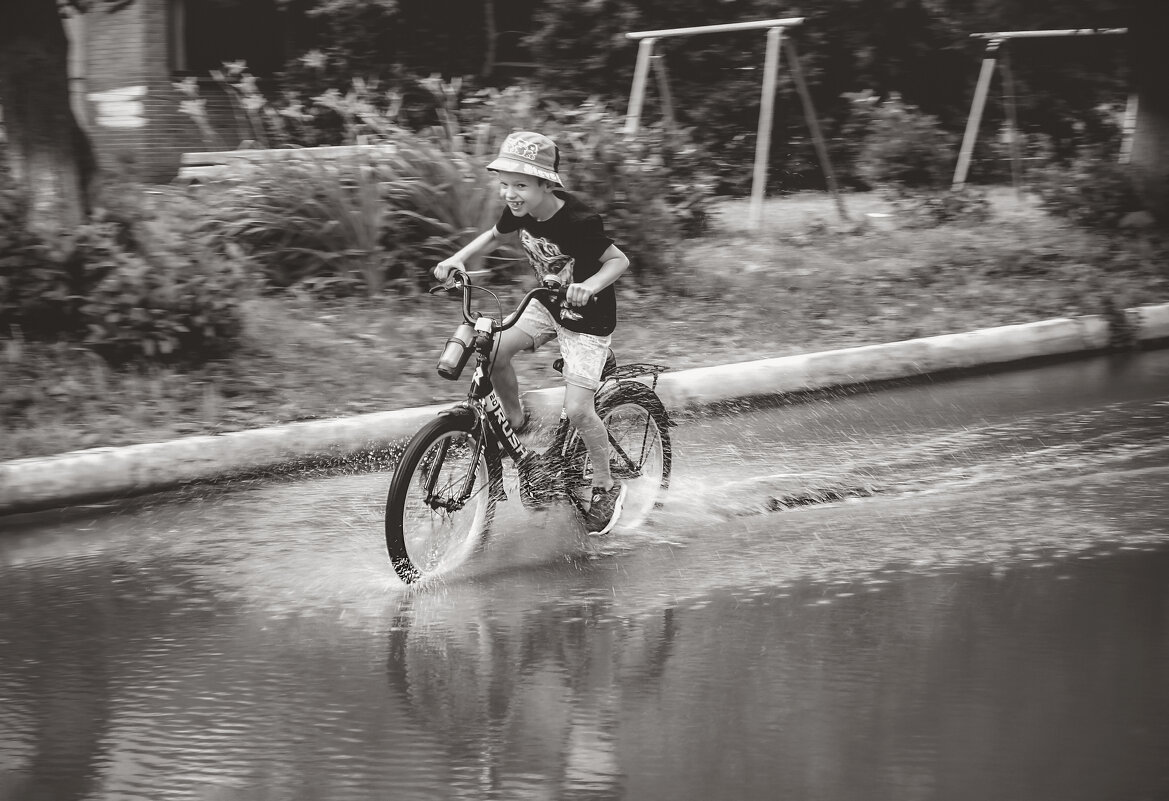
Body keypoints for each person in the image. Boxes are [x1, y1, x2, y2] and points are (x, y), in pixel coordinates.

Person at [433, 131, 630, 535]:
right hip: (547, 303)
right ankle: (517, 422)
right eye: (504, 183)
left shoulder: (579, 221)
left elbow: (618, 261)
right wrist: (458, 258)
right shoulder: (521, 210)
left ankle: (606, 485)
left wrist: (589, 286)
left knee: (579, 409)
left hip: (587, 319)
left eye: (520, 185)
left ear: (546, 184)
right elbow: (495, 234)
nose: (510, 193)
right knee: (493, 351)